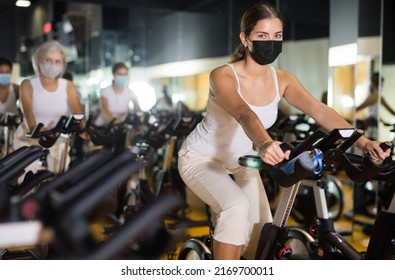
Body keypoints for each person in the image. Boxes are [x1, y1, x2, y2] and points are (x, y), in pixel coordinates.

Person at [177, 3, 390, 260]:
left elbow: (320, 111)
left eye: (277, 36)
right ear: (245, 39)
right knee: (235, 207)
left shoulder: (283, 79)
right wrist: (266, 143)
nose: (272, 42)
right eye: (263, 36)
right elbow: (244, 113)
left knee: (262, 233)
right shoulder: (223, 75)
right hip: (200, 158)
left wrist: (364, 143)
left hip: (242, 160)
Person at [13, 40, 87, 176]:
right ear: (39, 60)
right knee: (27, 175)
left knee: (60, 173)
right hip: (29, 136)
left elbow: (77, 111)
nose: (53, 64)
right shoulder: (28, 84)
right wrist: (35, 128)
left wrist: (83, 128)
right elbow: (28, 113)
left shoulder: (67, 85)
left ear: (63, 64)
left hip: (57, 137)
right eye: (49, 60)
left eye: (57, 61)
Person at [95, 62, 143, 151]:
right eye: (120, 74)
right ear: (114, 74)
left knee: (122, 150)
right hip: (104, 126)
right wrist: (114, 121)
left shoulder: (129, 92)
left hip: (120, 128)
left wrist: (140, 116)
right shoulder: (105, 91)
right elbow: (105, 109)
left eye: (125, 74)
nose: (122, 77)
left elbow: (137, 107)